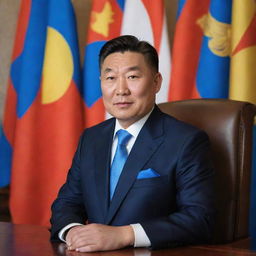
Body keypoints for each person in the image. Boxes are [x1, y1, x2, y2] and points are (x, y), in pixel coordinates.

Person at [50, 35, 215, 252]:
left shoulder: (187, 141)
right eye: (110, 78)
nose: (120, 90)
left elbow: (200, 219)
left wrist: (125, 234)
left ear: (156, 82)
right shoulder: (91, 139)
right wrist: (72, 231)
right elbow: (66, 204)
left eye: (133, 76)